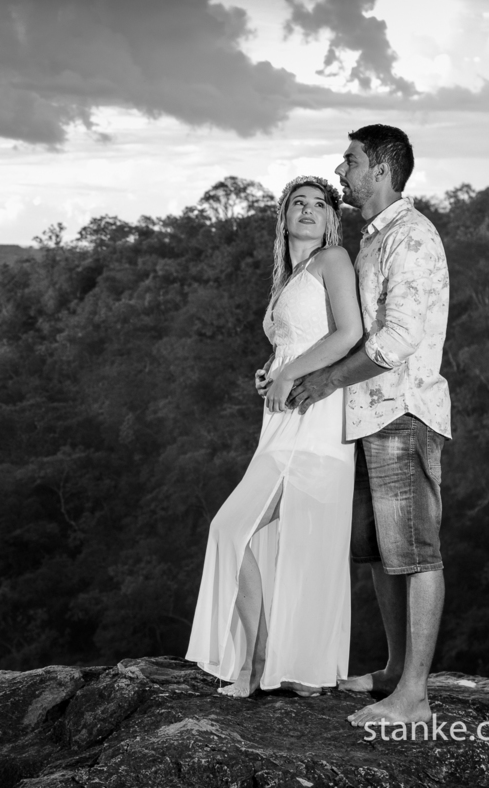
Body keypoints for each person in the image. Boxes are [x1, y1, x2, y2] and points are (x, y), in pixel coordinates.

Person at [288, 124, 451, 727]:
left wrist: (328, 380)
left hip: (403, 412)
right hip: (365, 416)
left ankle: (415, 697)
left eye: (351, 161)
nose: (340, 171)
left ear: (381, 171)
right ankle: (393, 670)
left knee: (415, 552)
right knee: (379, 551)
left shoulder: (410, 236)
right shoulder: (371, 241)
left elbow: (401, 337)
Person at [185, 175, 363, 697]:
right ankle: (274, 662)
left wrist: (290, 375)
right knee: (257, 538)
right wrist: (271, 370)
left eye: (319, 204)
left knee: (232, 529)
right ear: (283, 217)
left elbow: (349, 333)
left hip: (316, 421)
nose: (308, 211)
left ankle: (262, 663)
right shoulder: (289, 275)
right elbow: (293, 342)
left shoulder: (333, 261)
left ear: (332, 218)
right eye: (298, 204)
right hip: (281, 420)